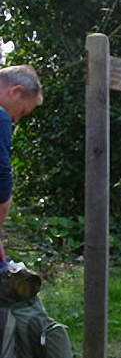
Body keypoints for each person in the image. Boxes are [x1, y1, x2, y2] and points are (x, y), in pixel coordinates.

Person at [0, 65, 43, 268]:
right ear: (16, 91)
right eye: (22, 111)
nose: (16, 119)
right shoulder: (1, 116)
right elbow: (1, 177)